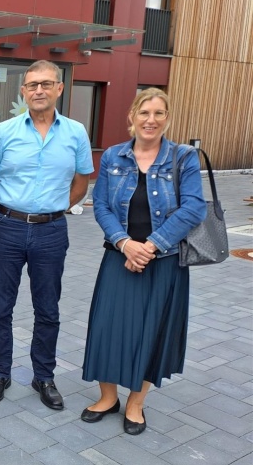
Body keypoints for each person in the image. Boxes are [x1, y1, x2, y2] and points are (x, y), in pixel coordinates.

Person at [81, 88, 206, 435]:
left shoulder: (183, 158)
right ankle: (108, 398)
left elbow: (195, 207)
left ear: (167, 118)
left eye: (159, 113)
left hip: (163, 261)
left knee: (150, 333)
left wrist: (149, 246)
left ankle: (136, 403)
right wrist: (124, 244)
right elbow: (102, 205)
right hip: (119, 257)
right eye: (145, 113)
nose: (151, 120)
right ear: (132, 117)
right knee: (107, 327)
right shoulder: (113, 157)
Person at [0, 60, 93, 410]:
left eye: (46, 84)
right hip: (7, 227)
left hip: (51, 230)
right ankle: (0, 372)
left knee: (48, 308)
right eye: (32, 85)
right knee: (0, 307)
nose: (39, 91)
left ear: (59, 88)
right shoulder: (2, 133)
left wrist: (58, 208)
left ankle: (43, 376)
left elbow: (81, 181)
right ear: (23, 91)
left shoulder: (76, 132)